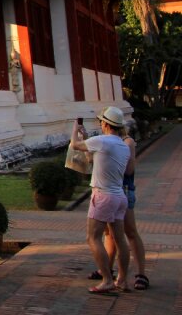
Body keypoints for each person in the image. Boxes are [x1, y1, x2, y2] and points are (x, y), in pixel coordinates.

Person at [71, 106, 131, 294]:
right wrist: (86, 136)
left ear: (105, 123)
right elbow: (91, 158)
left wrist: (75, 128)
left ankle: (106, 279)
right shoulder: (123, 145)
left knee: (93, 237)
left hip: (103, 195)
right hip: (119, 196)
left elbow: (74, 145)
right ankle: (122, 280)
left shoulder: (103, 141)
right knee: (119, 239)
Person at [92, 125, 149, 291]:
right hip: (107, 191)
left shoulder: (127, 142)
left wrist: (112, 158)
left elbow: (130, 169)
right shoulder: (105, 141)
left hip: (122, 190)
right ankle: (106, 270)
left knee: (130, 232)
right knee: (109, 234)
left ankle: (141, 274)